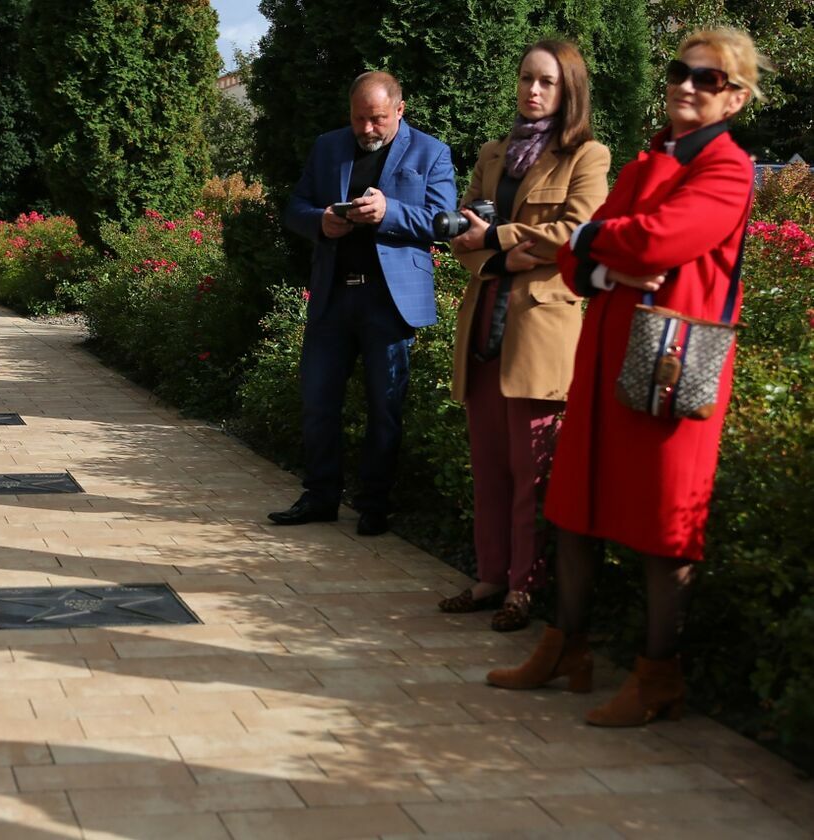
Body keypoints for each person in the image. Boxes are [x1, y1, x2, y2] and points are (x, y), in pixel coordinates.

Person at [486, 28, 765, 726]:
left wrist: (586, 239)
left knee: (664, 524)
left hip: (670, 368)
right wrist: (603, 263)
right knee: (575, 506)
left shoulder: (728, 169)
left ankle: (658, 676)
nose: (687, 85)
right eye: (680, 71)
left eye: (708, 78)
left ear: (735, 98)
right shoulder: (648, 162)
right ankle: (566, 648)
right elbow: (578, 261)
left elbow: (657, 240)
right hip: (604, 359)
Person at [440, 41, 610, 632]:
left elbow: (576, 233)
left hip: (540, 329)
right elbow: (461, 235)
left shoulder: (586, 156)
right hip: (484, 321)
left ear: (568, 91)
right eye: (525, 79)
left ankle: (523, 589)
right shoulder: (494, 153)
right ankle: (491, 577)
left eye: (546, 82)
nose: (532, 91)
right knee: (488, 466)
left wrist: (498, 238)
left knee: (530, 471)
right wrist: (498, 258)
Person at [270, 71, 456, 536]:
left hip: (388, 302)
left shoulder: (430, 152)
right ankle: (320, 496)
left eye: (377, 119)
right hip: (334, 296)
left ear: (400, 110)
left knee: (384, 406)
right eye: (358, 119)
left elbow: (443, 221)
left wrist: (389, 211)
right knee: (318, 401)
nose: (367, 129)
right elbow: (295, 208)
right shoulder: (328, 146)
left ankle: (375, 505)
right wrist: (321, 221)